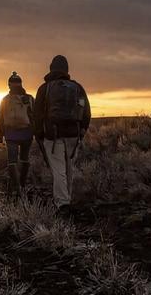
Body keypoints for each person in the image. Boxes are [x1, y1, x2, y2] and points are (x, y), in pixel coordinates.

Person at [33, 55, 91, 212]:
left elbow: (37, 115)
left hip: (53, 136)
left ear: (51, 69)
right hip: (73, 135)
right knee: (69, 168)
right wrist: (82, 131)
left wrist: (39, 134)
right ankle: (67, 198)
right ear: (66, 69)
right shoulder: (77, 88)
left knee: (59, 170)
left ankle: (63, 203)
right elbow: (86, 111)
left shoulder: (44, 89)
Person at [0, 71, 35, 198]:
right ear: (21, 84)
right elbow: (35, 116)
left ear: (9, 85)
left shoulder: (5, 100)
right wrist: (35, 131)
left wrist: (1, 133)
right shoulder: (29, 98)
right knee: (24, 159)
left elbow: (0, 118)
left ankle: (17, 187)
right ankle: (22, 185)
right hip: (26, 133)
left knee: (12, 161)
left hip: (11, 134)